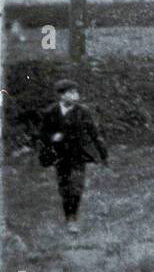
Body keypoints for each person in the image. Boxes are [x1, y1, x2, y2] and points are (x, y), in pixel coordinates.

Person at [38, 79, 108, 233]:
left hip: (78, 155)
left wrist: (103, 154)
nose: (75, 96)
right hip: (60, 156)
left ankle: (72, 219)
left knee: (76, 186)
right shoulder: (51, 112)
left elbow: (95, 134)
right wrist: (52, 138)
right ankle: (69, 215)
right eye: (71, 93)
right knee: (64, 189)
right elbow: (42, 134)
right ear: (62, 95)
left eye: (76, 92)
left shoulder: (83, 111)